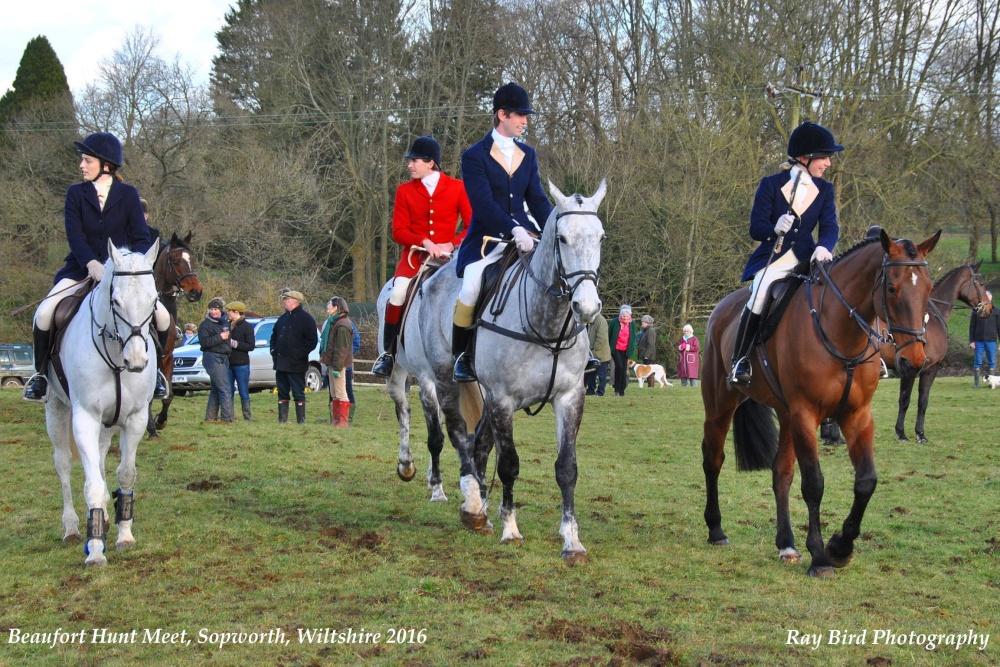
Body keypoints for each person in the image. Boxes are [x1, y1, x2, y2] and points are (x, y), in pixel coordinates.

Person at [24, 132, 171, 401]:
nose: (82, 165)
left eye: (87, 160)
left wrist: (132, 265)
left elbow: (141, 237)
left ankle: (158, 375)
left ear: (106, 165)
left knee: (163, 317)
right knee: (44, 313)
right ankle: (41, 376)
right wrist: (91, 262)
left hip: (123, 274)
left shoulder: (128, 195)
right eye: (82, 160)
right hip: (80, 270)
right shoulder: (75, 194)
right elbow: (75, 235)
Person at [450, 82, 554, 382]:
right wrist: (514, 228)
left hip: (527, 236)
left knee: (558, 272)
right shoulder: (474, 156)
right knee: (471, 287)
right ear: (502, 115)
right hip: (486, 239)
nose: (525, 121)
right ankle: (463, 356)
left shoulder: (527, 154)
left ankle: (574, 346)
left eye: (526, 116)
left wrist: (554, 230)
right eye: (520, 115)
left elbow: (537, 199)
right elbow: (483, 205)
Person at [730, 121, 844, 385]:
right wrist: (774, 228)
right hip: (775, 258)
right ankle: (740, 360)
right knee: (760, 292)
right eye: (824, 157)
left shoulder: (825, 190)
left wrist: (824, 247)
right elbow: (756, 228)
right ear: (805, 158)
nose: (828, 163)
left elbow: (830, 227)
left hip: (808, 257)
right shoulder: (771, 184)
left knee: (840, 291)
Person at [371, 136, 472, 378]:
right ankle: (388, 354)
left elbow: (472, 226)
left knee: (472, 293)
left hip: (449, 260)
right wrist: (424, 241)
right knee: (397, 293)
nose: (409, 165)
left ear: (430, 162)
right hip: (414, 259)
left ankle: (465, 356)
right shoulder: (404, 191)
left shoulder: (458, 187)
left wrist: (452, 243)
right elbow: (398, 231)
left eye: (414, 161)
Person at [271, 290, 318, 424]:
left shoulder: (307, 319)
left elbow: (311, 342)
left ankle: (301, 421)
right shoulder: (282, 318)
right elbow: (274, 337)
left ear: (294, 301)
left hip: (296, 364)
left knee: (298, 392)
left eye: (286, 299)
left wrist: (298, 354)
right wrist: (273, 350)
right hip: (281, 363)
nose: (284, 302)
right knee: (282, 392)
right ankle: (282, 420)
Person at [199, 298, 233, 423]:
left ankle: (210, 418)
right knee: (225, 389)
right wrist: (220, 337)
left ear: (220, 310)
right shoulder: (205, 325)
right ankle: (227, 419)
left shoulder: (225, 323)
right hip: (213, 357)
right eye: (211, 309)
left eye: (216, 309)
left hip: (224, 357)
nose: (213, 312)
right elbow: (204, 342)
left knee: (216, 389)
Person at [322, 296, 354, 427]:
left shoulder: (342, 325)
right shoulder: (334, 322)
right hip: (332, 363)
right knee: (334, 393)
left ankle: (342, 422)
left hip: (338, 365)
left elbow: (342, 349)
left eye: (329, 307)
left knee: (341, 393)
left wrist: (337, 367)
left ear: (336, 308)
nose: (327, 310)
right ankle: (336, 421)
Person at [226, 301, 255, 420]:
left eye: (229, 311)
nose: (227, 313)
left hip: (241, 364)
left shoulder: (247, 327)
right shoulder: (226, 325)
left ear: (236, 312)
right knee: (229, 391)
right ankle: (229, 416)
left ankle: (247, 417)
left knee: (243, 392)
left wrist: (235, 344)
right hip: (228, 364)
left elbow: (250, 346)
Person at [607, 305, 640, 397]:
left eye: (627, 316)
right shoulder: (614, 322)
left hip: (626, 349)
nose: (626, 318)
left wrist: (632, 347)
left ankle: (622, 389)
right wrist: (609, 347)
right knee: (619, 366)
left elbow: (633, 337)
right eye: (624, 316)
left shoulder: (632, 323)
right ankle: (617, 389)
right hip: (616, 348)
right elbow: (609, 335)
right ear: (621, 315)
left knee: (624, 369)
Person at [969, 290, 999, 388]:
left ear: (991, 299)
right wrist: (972, 341)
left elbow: (999, 327)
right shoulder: (976, 311)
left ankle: (991, 383)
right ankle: (976, 383)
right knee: (977, 362)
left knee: (992, 362)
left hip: (992, 341)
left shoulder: (996, 311)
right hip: (978, 341)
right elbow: (972, 327)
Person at [585, 311, 611, 396]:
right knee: (591, 373)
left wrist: (594, 349)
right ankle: (590, 390)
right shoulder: (592, 320)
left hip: (601, 354)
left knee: (601, 375)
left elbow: (601, 338)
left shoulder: (601, 321)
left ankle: (600, 392)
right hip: (592, 353)